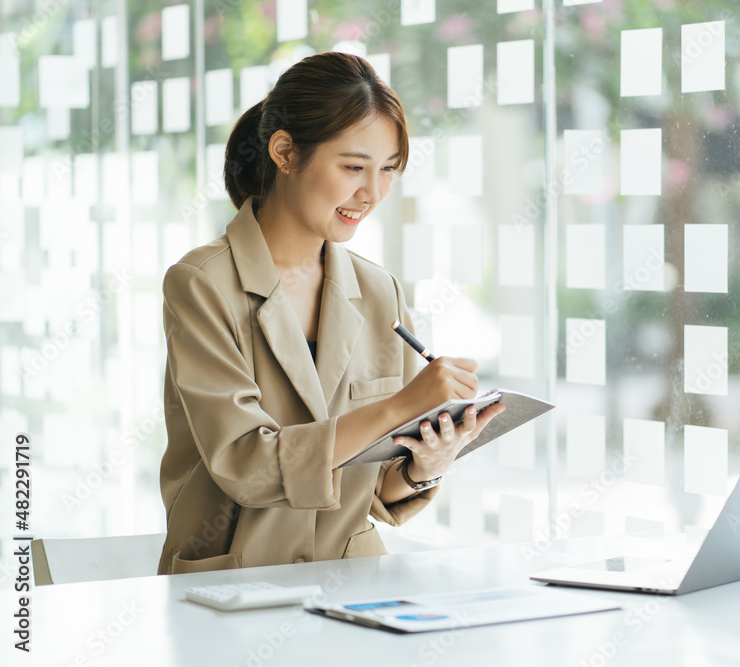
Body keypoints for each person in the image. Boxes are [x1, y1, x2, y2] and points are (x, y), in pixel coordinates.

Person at [156, 52, 503, 575]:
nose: (373, 193)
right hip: (231, 592)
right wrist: (400, 405)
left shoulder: (378, 290)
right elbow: (248, 466)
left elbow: (373, 484)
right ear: (284, 152)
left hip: (353, 584)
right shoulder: (201, 285)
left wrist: (425, 463)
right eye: (353, 167)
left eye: (388, 170)